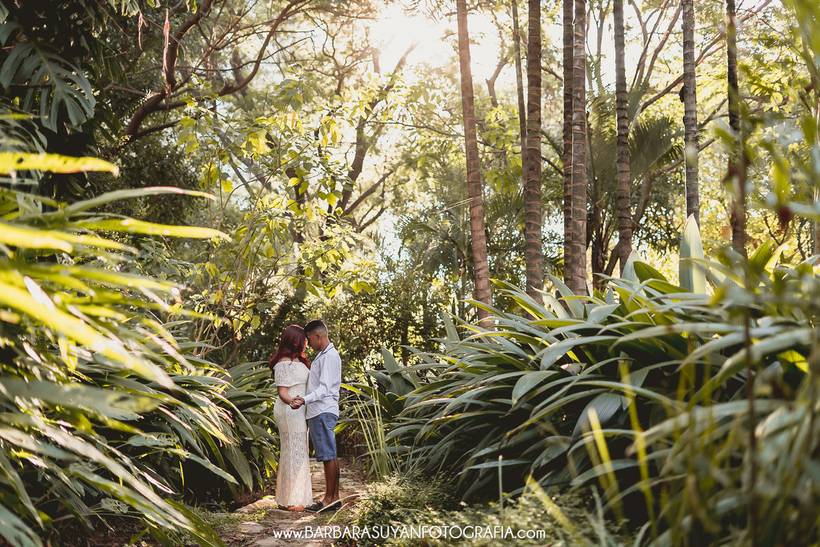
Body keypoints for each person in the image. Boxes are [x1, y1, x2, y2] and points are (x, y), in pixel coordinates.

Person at [290, 319, 342, 513]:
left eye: (310, 339)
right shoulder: (323, 355)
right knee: (329, 454)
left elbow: (325, 389)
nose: (308, 343)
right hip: (319, 411)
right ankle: (333, 498)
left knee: (328, 455)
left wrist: (304, 399)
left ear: (318, 336)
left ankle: (329, 499)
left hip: (322, 410)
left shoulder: (329, 357)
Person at [270, 324, 313, 511]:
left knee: (297, 450)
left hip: (298, 409)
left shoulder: (300, 362)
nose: (306, 342)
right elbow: (282, 392)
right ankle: (293, 499)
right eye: (304, 339)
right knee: (294, 451)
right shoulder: (283, 363)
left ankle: (290, 497)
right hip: (290, 410)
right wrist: (293, 403)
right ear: (295, 341)